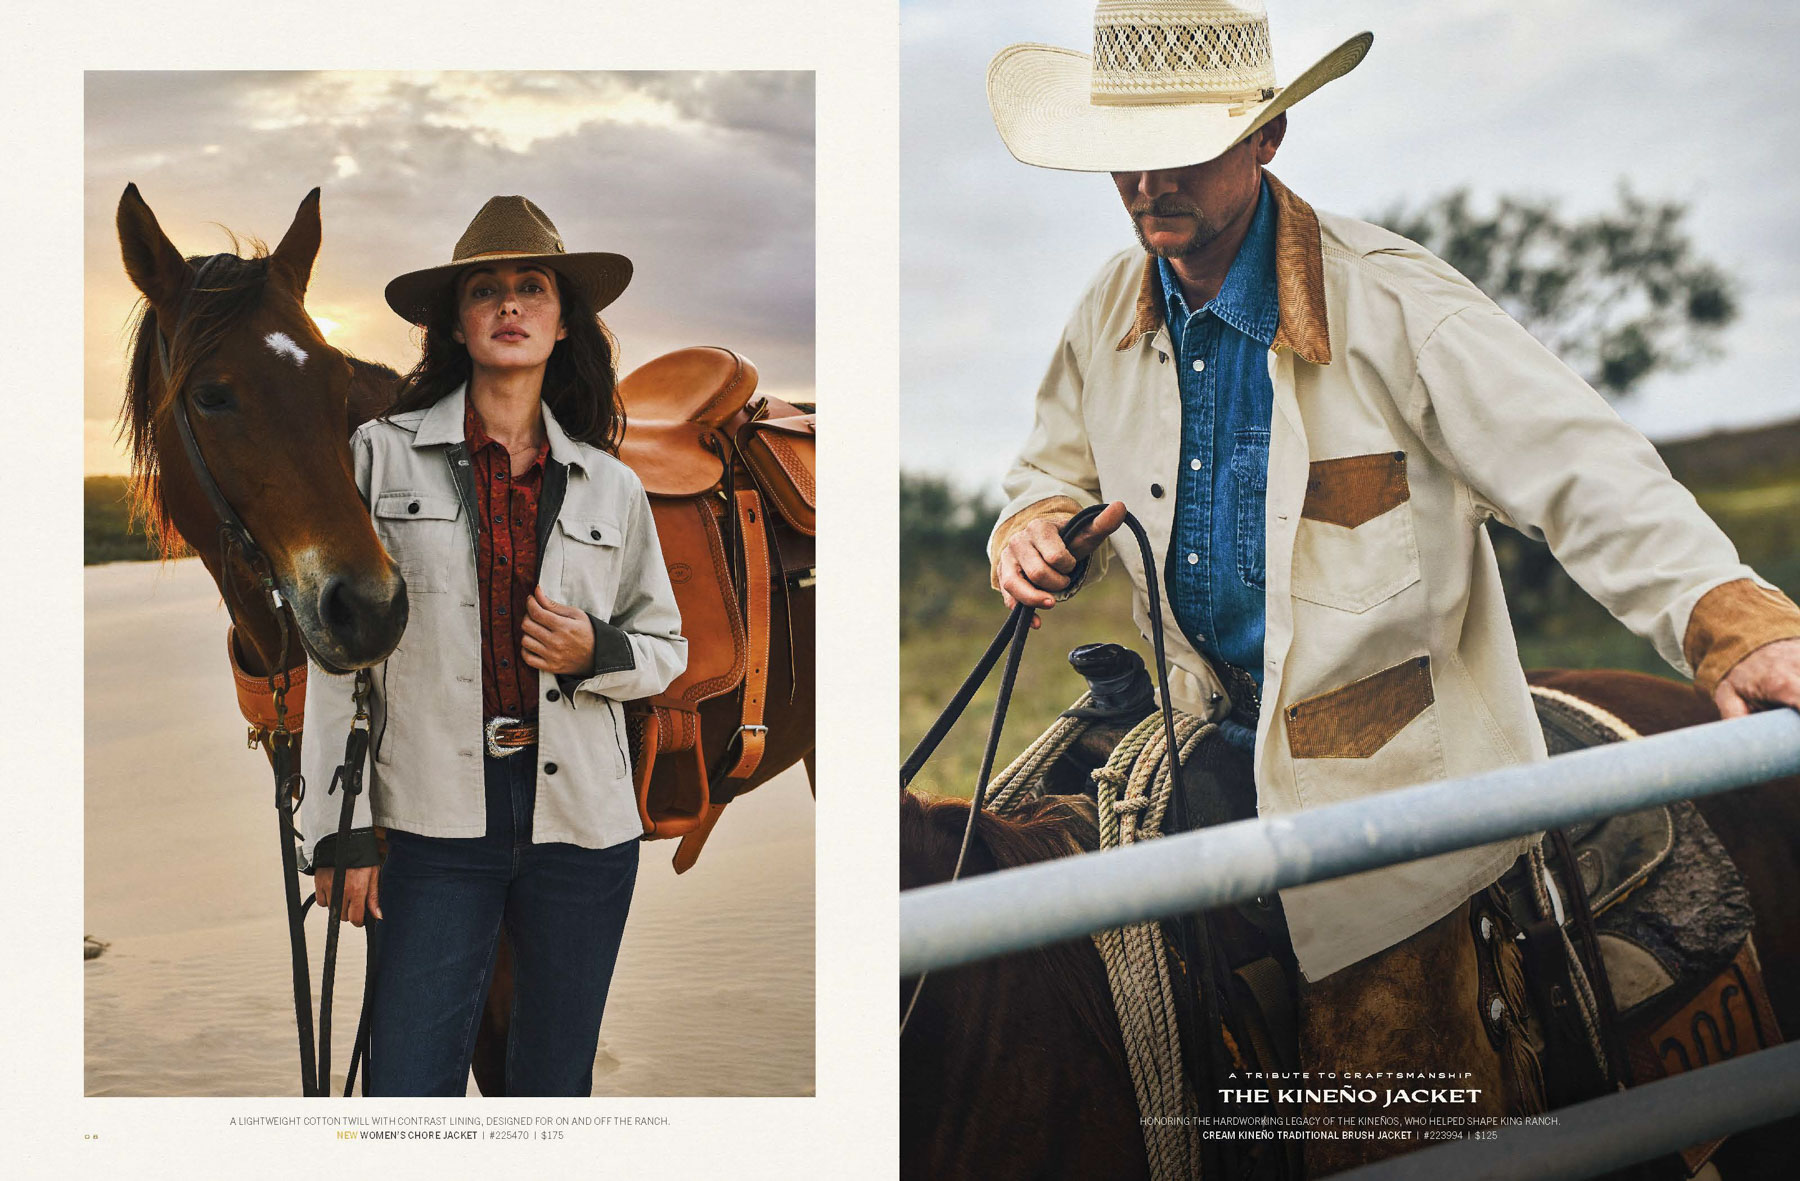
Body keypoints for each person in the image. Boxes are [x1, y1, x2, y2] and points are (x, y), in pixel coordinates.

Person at [982, 0, 1800, 1166]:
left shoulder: (1397, 301)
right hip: (1196, 721)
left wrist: (1733, 620)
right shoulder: (1109, 308)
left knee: (1393, 1113)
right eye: (1126, 150)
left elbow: (1577, 462)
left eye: (1188, 146)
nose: (1147, 179)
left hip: (1391, 772)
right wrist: (1032, 521)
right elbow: (1049, 461)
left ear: (1267, 140)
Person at [299, 195, 687, 1096]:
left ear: (561, 321)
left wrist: (599, 648)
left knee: (552, 1096)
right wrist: (337, 829)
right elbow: (336, 660)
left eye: (531, 287)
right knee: (408, 1094)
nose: (510, 305)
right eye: (486, 290)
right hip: (428, 827)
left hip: (584, 828)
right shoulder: (377, 456)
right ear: (459, 323)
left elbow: (665, 645)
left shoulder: (614, 486)